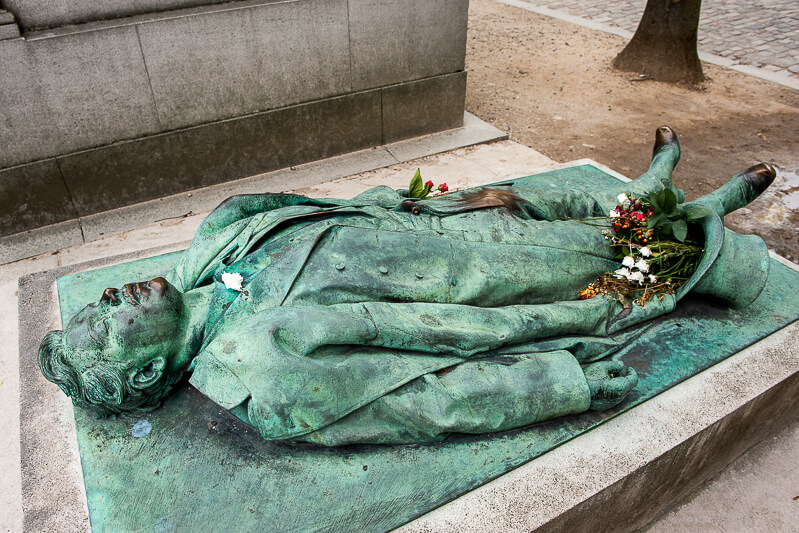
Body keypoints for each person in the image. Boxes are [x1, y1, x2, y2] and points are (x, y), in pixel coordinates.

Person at [39, 127, 776, 445]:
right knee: (593, 255)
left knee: (524, 198)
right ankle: (711, 219)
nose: (109, 300)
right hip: (477, 285)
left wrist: (404, 201)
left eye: (96, 305)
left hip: (435, 225)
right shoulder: (261, 369)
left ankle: (650, 188)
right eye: (104, 327)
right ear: (147, 369)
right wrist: (553, 383)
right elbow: (419, 402)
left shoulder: (217, 240)